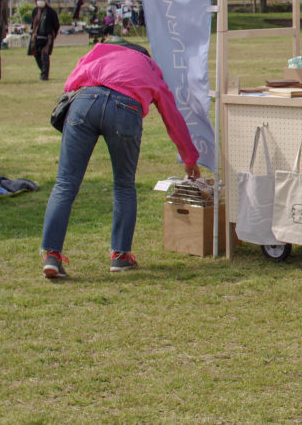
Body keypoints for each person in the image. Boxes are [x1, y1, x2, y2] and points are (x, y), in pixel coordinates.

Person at [40, 42, 201, 278]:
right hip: (126, 108)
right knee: (124, 185)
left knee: (65, 183)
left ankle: (52, 256)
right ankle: (120, 256)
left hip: (85, 101)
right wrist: (189, 158)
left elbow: (71, 84)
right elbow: (171, 115)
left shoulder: (101, 50)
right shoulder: (150, 67)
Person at [28, 0, 60, 80]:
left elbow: (56, 24)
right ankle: (43, 70)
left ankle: (45, 75)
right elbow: (33, 23)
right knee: (36, 55)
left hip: (47, 37)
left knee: (44, 55)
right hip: (36, 37)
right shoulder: (35, 11)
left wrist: (53, 34)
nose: (40, 1)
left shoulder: (51, 12)